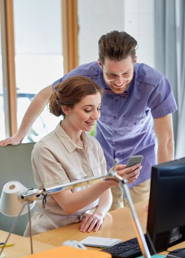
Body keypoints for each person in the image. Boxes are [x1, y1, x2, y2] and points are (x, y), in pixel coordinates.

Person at [0, 31, 177, 209]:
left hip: (141, 161)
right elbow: (43, 96)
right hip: (105, 158)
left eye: (126, 73)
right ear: (100, 65)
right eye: (112, 75)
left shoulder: (154, 83)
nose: (119, 81)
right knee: (110, 223)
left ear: (135, 61)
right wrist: (19, 135)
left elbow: (166, 140)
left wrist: (164, 186)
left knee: (143, 220)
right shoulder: (86, 75)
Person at [24, 76, 141, 235]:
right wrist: (108, 182)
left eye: (98, 108)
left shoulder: (93, 144)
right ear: (66, 109)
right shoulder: (45, 149)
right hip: (52, 231)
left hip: (86, 228)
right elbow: (68, 204)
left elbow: (105, 196)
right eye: (88, 110)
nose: (96, 116)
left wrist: (99, 214)